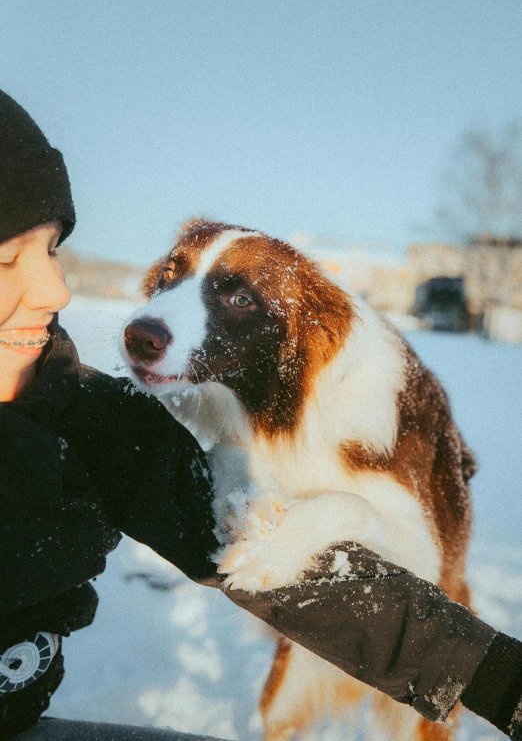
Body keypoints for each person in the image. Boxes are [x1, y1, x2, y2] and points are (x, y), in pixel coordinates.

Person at [1, 89, 521, 741]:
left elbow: (262, 554)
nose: (57, 291)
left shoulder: (75, 410)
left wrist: (505, 680)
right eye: (6, 260)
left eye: (52, 251)